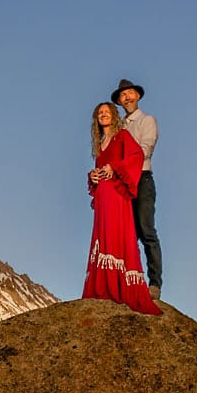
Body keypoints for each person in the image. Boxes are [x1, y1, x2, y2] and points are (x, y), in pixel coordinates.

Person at [82, 101, 161, 315]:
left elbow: (136, 156)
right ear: (96, 119)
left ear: (114, 116)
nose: (103, 115)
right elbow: (101, 168)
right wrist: (94, 175)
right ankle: (104, 284)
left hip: (117, 195)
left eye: (107, 112)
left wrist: (113, 167)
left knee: (119, 235)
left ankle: (121, 284)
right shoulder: (100, 144)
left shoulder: (123, 137)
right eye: (100, 113)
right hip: (103, 196)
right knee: (103, 236)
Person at [111, 78, 161, 298]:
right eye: (123, 95)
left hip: (141, 178)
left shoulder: (146, 121)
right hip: (121, 182)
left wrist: (121, 165)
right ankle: (130, 279)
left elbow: (144, 149)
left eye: (130, 93)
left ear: (138, 96)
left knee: (146, 230)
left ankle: (154, 283)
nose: (127, 97)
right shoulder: (118, 126)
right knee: (125, 233)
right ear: (120, 101)